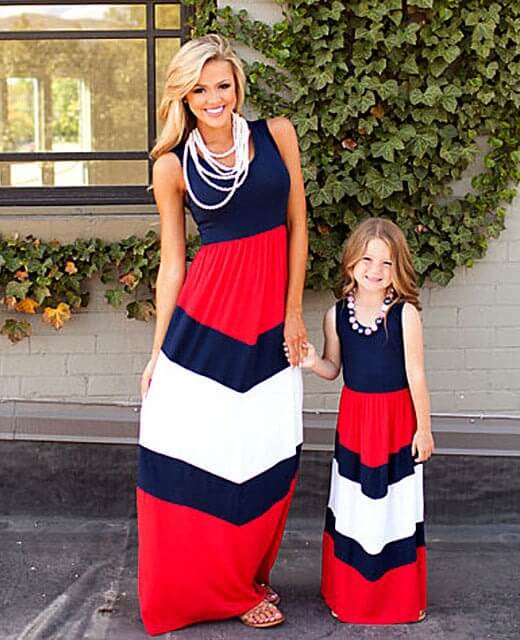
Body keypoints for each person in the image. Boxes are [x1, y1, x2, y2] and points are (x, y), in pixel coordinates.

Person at [136, 34, 308, 636]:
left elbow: (298, 228)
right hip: (204, 323)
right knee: (196, 456)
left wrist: (292, 313)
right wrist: (159, 350)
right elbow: (173, 263)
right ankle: (222, 590)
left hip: (266, 323)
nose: (213, 98)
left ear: (238, 86)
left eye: (223, 85)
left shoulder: (276, 134)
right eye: (200, 88)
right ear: (184, 94)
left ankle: (244, 576)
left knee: (265, 454)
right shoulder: (171, 164)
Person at [300, 217, 433, 624]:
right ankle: (350, 594)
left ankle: (400, 599)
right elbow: (333, 367)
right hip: (356, 421)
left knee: (394, 506)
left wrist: (424, 429)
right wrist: (310, 361)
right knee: (355, 506)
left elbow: (416, 374)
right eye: (367, 259)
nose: (375, 270)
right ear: (351, 262)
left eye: (386, 263)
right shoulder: (335, 315)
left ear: (399, 267)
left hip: (395, 421)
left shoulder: (405, 314)